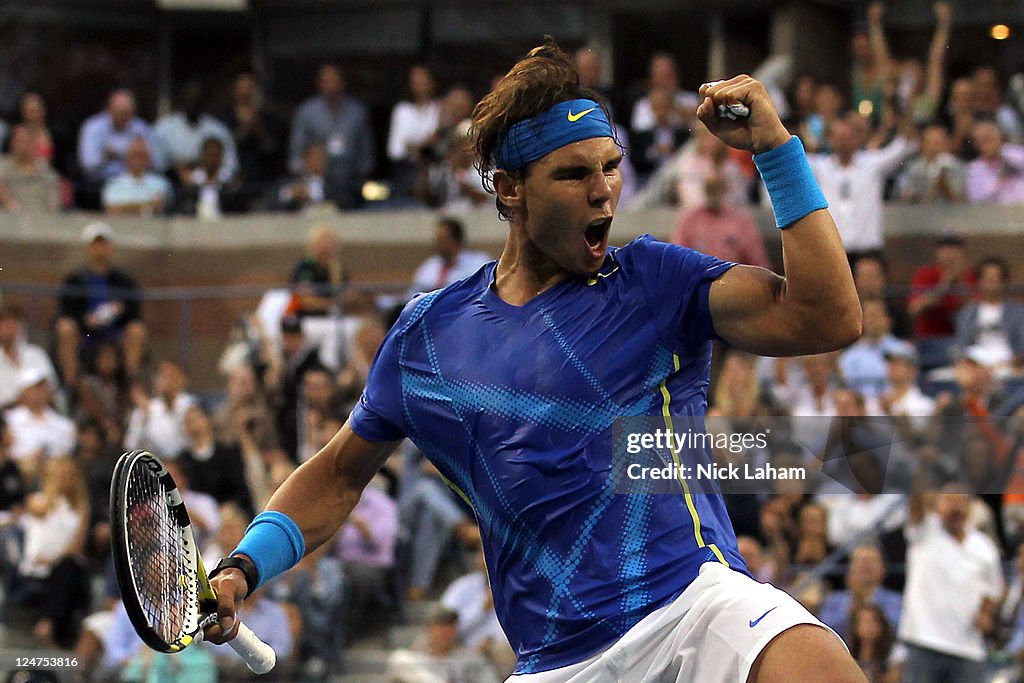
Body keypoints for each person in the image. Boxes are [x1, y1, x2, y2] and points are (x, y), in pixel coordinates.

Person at [207, 43, 864, 682]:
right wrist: (244, 565)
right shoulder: (428, 338)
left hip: (694, 610)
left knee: (813, 660)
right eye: (575, 175)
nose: (604, 192)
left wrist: (777, 151)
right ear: (510, 187)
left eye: (610, 167)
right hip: (557, 662)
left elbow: (827, 317)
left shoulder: (653, 280)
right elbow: (339, 475)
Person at [899, 488, 1004, 682]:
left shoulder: (983, 546)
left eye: (961, 502)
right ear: (938, 505)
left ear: (970, 507)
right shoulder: (924, 530)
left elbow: (994, 589)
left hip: (968, 648)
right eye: (949, 501)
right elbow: (916, 501)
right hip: (924, 641)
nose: (955, 507)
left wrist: (986, 613)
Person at [55, 222, 148, 383]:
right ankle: (71, 385)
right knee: (65, 329)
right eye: (95, 245)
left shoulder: (123, 281)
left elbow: (135, 312)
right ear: (88, 248)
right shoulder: (75, 280)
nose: (100, 250)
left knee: (137, 330)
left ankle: (130, 384)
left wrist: (120, 310)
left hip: (115, 332)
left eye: (103, 245)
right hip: (86, 333)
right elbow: (65, 311)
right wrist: (85, 320)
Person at [288, 64, 375, 209]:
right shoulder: (306, 111)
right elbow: (296, 151)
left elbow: (365, 150)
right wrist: (305, 176)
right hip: (316, 178)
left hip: (349, 177)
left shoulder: (357, 112)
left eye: (334, 81)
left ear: (342, 83)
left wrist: (364, 174)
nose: (331, 86)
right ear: (320, 84)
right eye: (326, 81)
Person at [670, 174, 770, 268]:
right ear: (704, 190)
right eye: (710, 189)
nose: (714, 194)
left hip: (732, 279)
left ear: (725, 190)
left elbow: (757, 259)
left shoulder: (740, 220)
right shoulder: (690, 219)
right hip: (697, 278)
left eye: (717, 189)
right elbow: (677, 258)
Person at [408, 216, 490, 297]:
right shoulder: (429, 265)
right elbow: (413, 295)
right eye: (436, 240)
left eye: (442, 239)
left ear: (456, 240)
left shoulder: (479, 264)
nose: (437, 244)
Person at [100, 136, 171, 216]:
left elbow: (158, 207)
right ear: (127, 157)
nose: (138, 160)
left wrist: (124, 208)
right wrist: (146, 206)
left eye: (142, 156)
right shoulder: (113, 185)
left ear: (149, 158)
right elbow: (112, 210)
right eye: (135, 155)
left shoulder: (160, 184)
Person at [0, 123, 60, 212]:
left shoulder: (48, 175)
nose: (21, 146)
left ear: (34, 144)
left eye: (25, 141)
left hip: (41, 220)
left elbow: (53, 206)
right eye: (18, 141)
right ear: (11, 143)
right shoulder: (2, 167)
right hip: (8, 220)